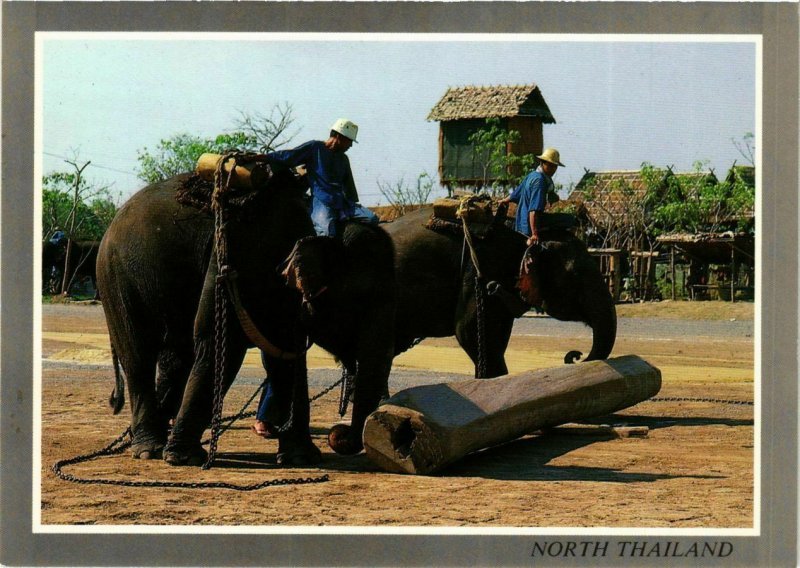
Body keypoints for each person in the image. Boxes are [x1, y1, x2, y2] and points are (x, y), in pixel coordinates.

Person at [265, 118, 379, 237]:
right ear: (338, 137)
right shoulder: (315, 147)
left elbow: (349, 186)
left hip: (341, 203)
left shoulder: (343, 159)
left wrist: (351, 205)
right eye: (349, 140)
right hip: (322, 201)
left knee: (372, 219)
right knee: (327, 233)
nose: (350, 145)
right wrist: (260, 157)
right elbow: (289, 156)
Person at [498, 147, 565, 246]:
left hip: (521, 222)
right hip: (528, 225)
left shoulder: (532, 175)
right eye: (550, 165)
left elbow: (515, 194)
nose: (553, 169)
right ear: (542, 163)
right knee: (568, 219)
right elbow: (533, 210)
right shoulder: (540, 182)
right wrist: (534, 234)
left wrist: (504, 200)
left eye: (555, 166)